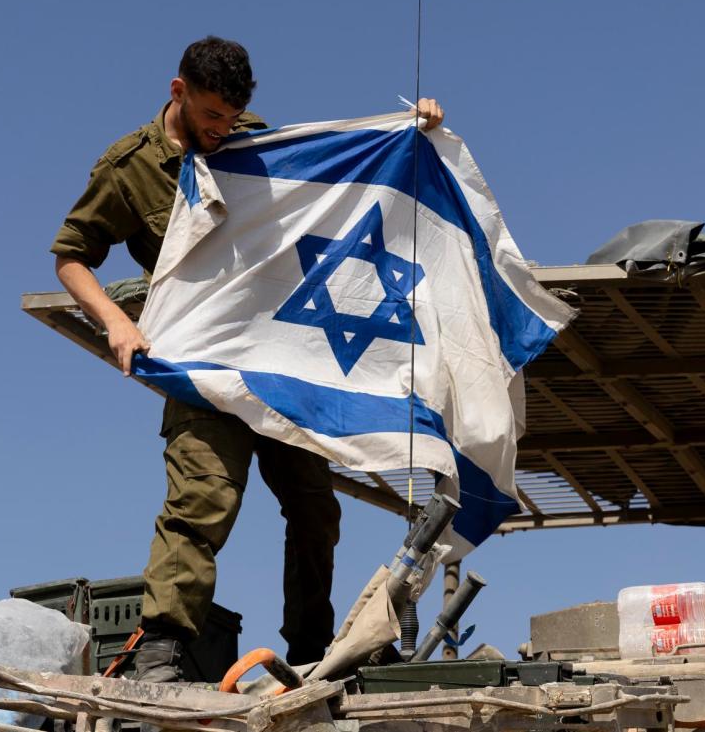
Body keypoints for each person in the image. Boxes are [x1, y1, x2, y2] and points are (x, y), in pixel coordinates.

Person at [50, 36, 444, 682]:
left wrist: (406, 129)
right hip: (200, 365)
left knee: (315, 507)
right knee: (202, 500)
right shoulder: (128, 167)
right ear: (178, 92)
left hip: (275, 358)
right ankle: (161, 652)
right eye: (211, 117)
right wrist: (118, 321)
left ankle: (314, 650)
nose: (221, 130)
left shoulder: (252, 141)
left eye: (231, 119)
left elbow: (335, 172)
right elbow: (71, 256)